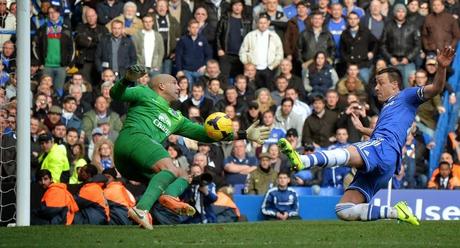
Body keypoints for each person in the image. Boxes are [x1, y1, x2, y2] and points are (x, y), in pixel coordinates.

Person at [278, 47, 455, 225]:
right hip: (386, 163)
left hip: (384, 149)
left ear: (394, 85)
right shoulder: (388, 108)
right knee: (344, 210)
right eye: (375, 83)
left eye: (380, 82)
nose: (376, 87)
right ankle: (394, 211)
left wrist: (441, 67)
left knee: (347, 151)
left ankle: (303, 161)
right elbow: (387, 133)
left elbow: (436, 88)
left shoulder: (406, 95)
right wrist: (363, 130)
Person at [110, 65, 270, 229]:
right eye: (174, 83)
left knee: (183, 175)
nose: (179, 87)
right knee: (170, 168)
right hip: (133, 139)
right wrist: (127, 79)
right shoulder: (145, 92)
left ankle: (169, 196)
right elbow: (116, 94)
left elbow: (206, 134)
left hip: (128, 164)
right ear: (161, 86)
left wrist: (243, 135)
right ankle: (141, 209)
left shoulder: (176, 118)